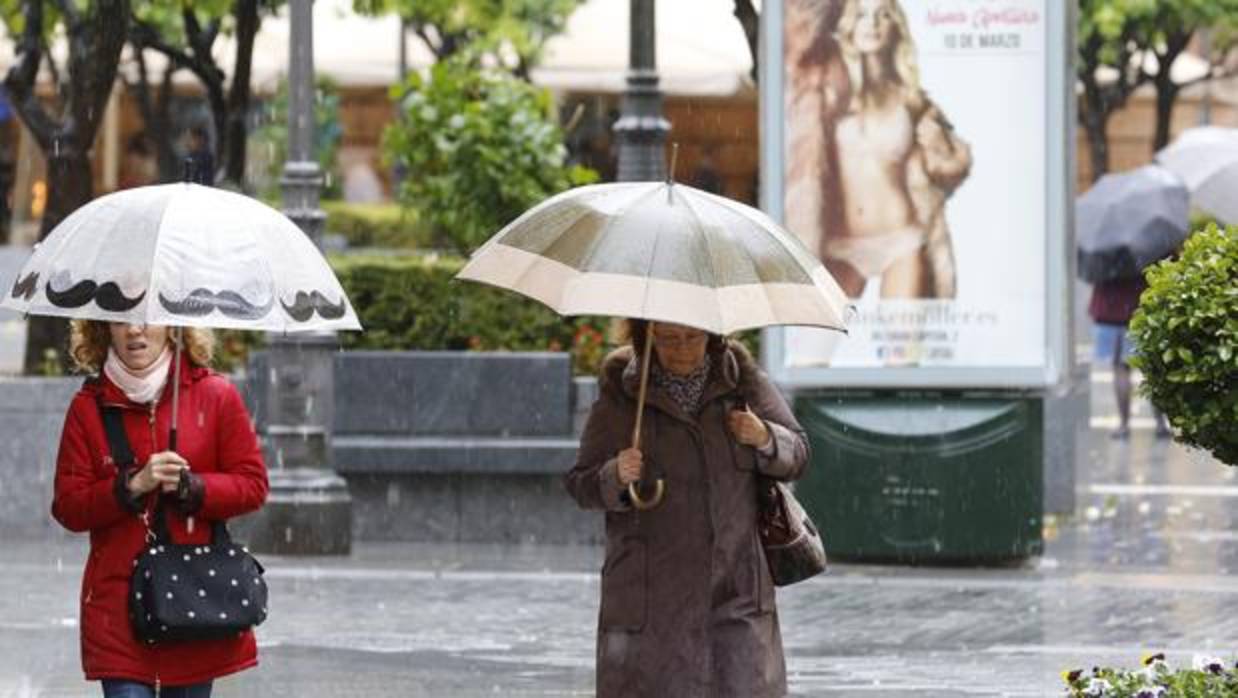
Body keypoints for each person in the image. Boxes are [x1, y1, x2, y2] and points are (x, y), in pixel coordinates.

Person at [565, 320, 810, 697]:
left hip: (735, 590)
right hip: (650, 598)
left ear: (711, 335)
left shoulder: (741, 380)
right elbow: (581, 483)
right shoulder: (624, 391)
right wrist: (615, 475)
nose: (681, 349)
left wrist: (764, 437)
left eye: (692, 338)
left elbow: (798, 454)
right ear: (646, 337)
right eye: (667, 339)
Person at [52, 321, 269, 697]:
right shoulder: (87, 407)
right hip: (117, 607)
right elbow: (69, 507)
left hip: (193, 600)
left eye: (147, 318)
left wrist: (194, 487)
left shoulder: (215, 395)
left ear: (172, 326)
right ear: (104, 330)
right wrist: (131, 486)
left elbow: (252, 485)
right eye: (121, 320)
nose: (134, 331)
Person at [788, 0, 971, 299]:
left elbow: (951, 166)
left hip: (902, 238)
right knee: (813, 340)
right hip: (840, 242)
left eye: (882, 15)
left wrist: (938, 147)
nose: (872, 23)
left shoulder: (911, 98)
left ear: (895, 27)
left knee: (903, 343)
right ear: (848, 26)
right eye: (861, 15)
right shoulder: (828, 91)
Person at [1088, 278, 1170, 440]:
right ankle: (1161, 423)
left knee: (1120, 369)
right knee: (1152, 368)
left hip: (1110, 310)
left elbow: (1094, 273)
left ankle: (1124, 424)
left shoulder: (1106, 252)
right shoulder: (1149, 252)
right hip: (1144, 309)